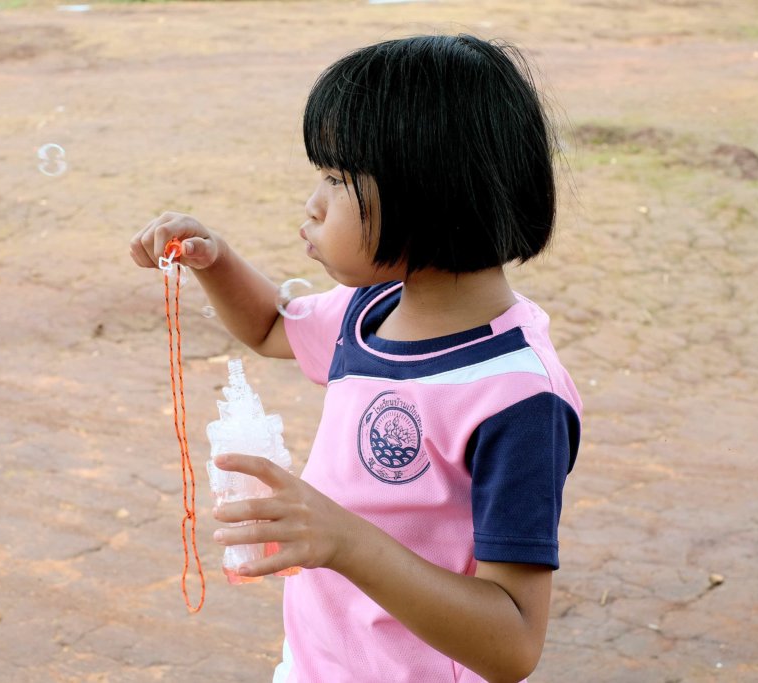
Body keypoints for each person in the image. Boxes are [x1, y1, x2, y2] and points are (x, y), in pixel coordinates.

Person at [129, 33, 581, 683]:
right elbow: (270, 327)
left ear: (431, 191)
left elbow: (512, 645)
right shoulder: (369, 310)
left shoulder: (516, 397)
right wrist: (215, 260)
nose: (313, 203)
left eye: (337, 179)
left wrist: (343, 539)